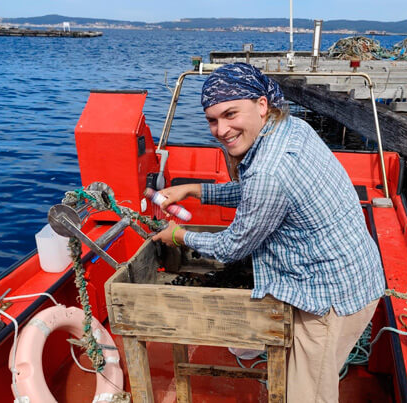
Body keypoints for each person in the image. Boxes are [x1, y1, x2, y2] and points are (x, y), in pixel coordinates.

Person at [151, 62, 385, 402]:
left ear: (261, 105)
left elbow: (232, 246)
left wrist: (179, 236)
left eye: (231, 114)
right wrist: (194, 190)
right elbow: (259, 196)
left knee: (308, 396)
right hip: (353, 276)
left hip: (330, 299)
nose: (220, 129)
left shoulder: (268, 173)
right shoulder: (292, 127)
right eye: (212, 120)